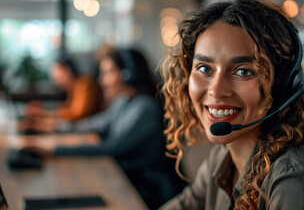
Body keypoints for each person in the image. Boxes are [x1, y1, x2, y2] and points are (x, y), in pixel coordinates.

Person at [159, 0, 304, 210]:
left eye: (243, 71)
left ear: (283, 86)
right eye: (205, 68)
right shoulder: (223, 158)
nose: (216, 90)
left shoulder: (296, 182)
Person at [20, 48, 184, 209]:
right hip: (124, 179)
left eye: (108, 73)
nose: (101, 80)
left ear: (128, 73)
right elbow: (94, 123)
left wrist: (54, 149)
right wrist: (53, 127)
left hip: (145, 190)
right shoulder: (123, 102)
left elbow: (112, 147)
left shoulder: (144, 107)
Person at [19, 56, 103, 131]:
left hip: (93, 132)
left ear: (68, 70)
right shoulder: (73, 88)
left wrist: (45, 113)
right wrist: (43, 112)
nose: (56, 79)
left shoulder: (84, 84)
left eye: (59, 74)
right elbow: (67, 108)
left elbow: (77, 113)